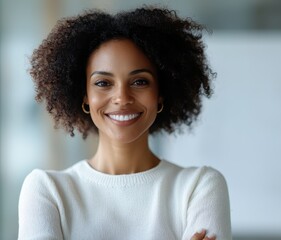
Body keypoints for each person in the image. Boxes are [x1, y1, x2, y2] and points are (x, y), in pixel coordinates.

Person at [18, 6, 231, 240]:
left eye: (140, 81)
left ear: (161, 93)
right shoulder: (47, 190)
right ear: (85, 96)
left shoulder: (199, 187)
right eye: (103, 83)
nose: (121, 98)